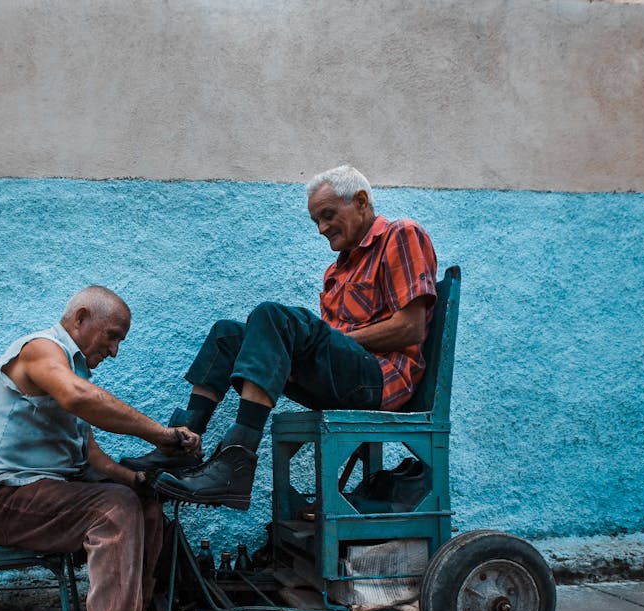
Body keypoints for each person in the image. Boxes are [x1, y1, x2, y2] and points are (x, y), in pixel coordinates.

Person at [123, 165, 438, 510]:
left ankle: (236, 462)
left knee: (273, 316)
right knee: (227, 334)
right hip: (341, 378)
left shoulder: (400, 234)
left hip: (380, 379)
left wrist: (334, 341)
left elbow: (411, 327)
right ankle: (179, 447)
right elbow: (329, 346)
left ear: (361, 201)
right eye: (316, 221)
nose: (322, 229)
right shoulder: (337, 270)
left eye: (328, 215)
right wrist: (302, 351)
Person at [0, 285, 202, 611]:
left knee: (143, 504)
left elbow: (92, 460)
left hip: (33, 494)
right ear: (81, 317)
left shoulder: (73, 374)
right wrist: (161, 434)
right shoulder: (40, 351)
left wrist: (141, 481)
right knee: (112, 510)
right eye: (112, 336)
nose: (115, 350)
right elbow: (77, 397)